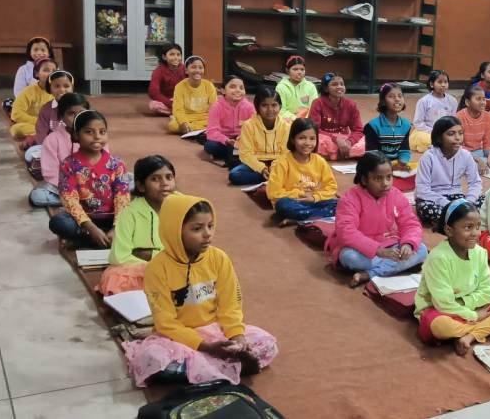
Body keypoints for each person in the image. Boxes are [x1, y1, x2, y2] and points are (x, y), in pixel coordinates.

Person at [123, 194, 278, 387]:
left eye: (210, 226)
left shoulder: (219, 258)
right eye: (197, 229)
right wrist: (206, 347)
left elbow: (230, 305)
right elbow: (166, 323)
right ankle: (224, 366)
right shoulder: (157, 268)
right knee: (153, 359)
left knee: (268, 344)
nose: (207, 234)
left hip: (216, 331)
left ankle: (211, 369)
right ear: (175, 231)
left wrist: (237, 337)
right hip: (178, 338)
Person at [413, 200, 490, 355]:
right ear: (449, 230)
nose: (475, 233)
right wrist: (474, 316)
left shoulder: (479, 252)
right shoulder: (438, 258)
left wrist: (467, 303)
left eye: (478, 227)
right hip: (443, 310)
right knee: (441, 326)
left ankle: (470, 336)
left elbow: (488, 291)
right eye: (468, 227)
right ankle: (487, 328)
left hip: (475, 306)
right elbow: (443, 303)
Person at [329, 151, 428, 287]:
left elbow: (410, 223)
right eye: (378, 179)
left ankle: (370, 274)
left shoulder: (396, 195)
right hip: (361, 250)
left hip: (390, 244)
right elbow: (346, 232)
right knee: (349, 257)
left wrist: (408, 244)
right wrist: (378, 251)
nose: (385, 183)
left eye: (389, 177)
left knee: (421, 249)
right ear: (364, 180)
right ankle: (391, 267)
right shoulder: (349, 199)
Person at [48, 110, 132, 247]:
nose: (97, 137)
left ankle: (85, 240)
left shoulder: (117, 164)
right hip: (83, 220)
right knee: (58, 222)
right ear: (76, 135)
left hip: (112, 218)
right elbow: (69, 199)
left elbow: (122, 197)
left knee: (139, 217)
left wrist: (116, 227)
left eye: (102, 132)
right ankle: (97, 237)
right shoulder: (68, 164)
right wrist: (91, 228)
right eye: (89, 132)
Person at [100, 155, 177, 295]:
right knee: (113, 278)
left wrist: (149, 253)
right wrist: (156, 261)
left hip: (175, 265)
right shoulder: (129, 213)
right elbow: (119, 257)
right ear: (141, 186)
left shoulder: (182, 205)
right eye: (155, 179)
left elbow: (191, 245)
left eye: (169, 177)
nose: (165, 183)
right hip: (142, 268)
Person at [267, 118, 338, 225]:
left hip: (313, 201)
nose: (307, 143)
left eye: (312, 138)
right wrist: (300, 194)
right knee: (282, 205)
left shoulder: (320, 161)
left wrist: (315, 197)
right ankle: (317, 216)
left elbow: (331, 187)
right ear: (292, 139)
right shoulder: (281, 163)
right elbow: (273, 193)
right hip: (294, 202)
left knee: (341, 203)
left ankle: (303, 219)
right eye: (302, 138)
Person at [415, 116, 484, 225]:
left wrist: (469, 202)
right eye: (451, 134)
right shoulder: (428, 157)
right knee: (426, 209)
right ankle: (462, 219)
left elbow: (475, 183)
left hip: (457, 197)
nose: (458, 138)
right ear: (439, 137)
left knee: (485, 200)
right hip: (434, 198)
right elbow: (422, 189)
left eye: (460, 133)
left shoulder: (466, 155)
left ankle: (454, 220)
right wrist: (449, 205)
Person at [28, 93, 89, 208]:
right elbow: (51, 172)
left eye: (81, 113)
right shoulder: (52, 139)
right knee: (37, 196)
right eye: (71, 113)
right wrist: (69, 188)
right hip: (62, 188)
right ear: (61, 116)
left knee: (123, 180)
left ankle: (82, 200)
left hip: (91, 185)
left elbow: (103, 162)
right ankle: (81, 201)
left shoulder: (94, 135)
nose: (77, 117)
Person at [230, 87, 290, 186]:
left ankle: (273, 177)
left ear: (280, 106)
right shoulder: (248, 125)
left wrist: (274, 168)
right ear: (257, 107)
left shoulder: (286, 127)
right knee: (235, 175)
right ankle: (274, 178)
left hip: (278, 163)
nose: (270, 110)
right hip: (256, 162)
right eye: (264, 105)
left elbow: (286, 153)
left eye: (274, 105)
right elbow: (246, 153)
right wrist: (262, 169)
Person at [24, 70, 75, 172]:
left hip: (73, 145)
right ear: (50, 89)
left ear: (72, 88)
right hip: (50, 146)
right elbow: (41, 131)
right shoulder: (46, 108)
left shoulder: (78, 107)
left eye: (66, 86)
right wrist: (48, 147)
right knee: (29, 154)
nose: (62, 89)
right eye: (57, 86)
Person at [308, 72, 366, 160]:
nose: (339, 87)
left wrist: (349, 142)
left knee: (366, 143)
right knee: (316, 143)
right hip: (325, 138)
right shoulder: (318, 103)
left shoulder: (351, 104)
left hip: (345, 139)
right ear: (326, 89)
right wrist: (335, 138)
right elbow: (314, 129)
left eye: (342, 84)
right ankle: (344, 155)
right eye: (334, 84)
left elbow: (358, 130)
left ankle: (334, 155)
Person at [204, 76, 254, 165]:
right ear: (223, 90)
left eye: (241, 88)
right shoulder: (216, 107)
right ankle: (235, 154)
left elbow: (255, 128)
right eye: (233, 87)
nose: (238, 90)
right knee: (210, 146)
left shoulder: (249, 107)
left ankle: (232, 154)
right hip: (224, 141)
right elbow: (212, 132)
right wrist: (227, 140)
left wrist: (242, 138)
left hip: (242, 140)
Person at [364, 83, 413, 169]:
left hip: (396, 164)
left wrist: (403, 162)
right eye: (391, 96)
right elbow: (372, 154)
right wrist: (388, 167)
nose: (397, 99)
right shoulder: (372, 126)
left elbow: (404, 150)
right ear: (383, 101)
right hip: (377, 165)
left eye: (400, 96)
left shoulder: (406, 125)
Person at [410, 70, 457, 153]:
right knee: (426, 140)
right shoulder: (424, 101)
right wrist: (433, 131)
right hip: (427, 132)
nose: (443, 85)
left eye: (445, 82)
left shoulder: (452, 100)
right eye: (440, 82)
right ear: (432, 84)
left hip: (446, 132)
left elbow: (453, 120)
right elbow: (418, 123)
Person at [10, 58, 56, 139]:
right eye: (46, 70)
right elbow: (16, 114)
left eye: (54, 71)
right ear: (37, 73)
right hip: (33, 124)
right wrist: (40, 122)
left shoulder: (59, 91)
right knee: (16, 129)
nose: (51, 73)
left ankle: (46, 135)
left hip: (54, 125)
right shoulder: (28, 91)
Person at [168, 56, 216, 135]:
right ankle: (201, 128)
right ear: (186, 71)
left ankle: (190, 128)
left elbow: (214, 108)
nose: (197, 70)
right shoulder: (179, 86)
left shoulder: (209, 85)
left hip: (204, 117)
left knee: (221, 121)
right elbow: (178, 109)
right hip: (187, 116)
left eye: (200, 68)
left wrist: (213, 120)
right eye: (193, 67)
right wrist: (183, 122)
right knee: (173, 126)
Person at [456, 85, 490, 174]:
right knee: (456, 160)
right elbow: (456, 145)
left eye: (484, 99)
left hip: (480, 151)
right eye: (478, 99)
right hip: (462, 152)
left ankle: (481, 163)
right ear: (467, 102)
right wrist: (477, 159)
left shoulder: (488, 117)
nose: (483, 102)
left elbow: (488, 142)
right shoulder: (459, 117)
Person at [274, 55, 317, 120]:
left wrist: (305, 119)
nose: (299, 72)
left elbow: (314, 108)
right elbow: (281, 110)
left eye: (302, 69)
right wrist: (295, 118)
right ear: (287, 71)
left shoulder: (311, 86)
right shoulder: (281, 87)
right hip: (287, 120)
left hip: (307, 120)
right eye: (295, 69)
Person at [148, 43, 185, 115]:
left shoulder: (185, 68)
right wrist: (170, 103)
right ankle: (179, 111)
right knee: (153, 105)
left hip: (182, 99)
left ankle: (178, 111)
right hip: (167, 100)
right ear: (164, 57)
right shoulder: (158, 71)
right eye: (172, 54)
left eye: (178, 55)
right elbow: (153, 92)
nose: (176, 57)